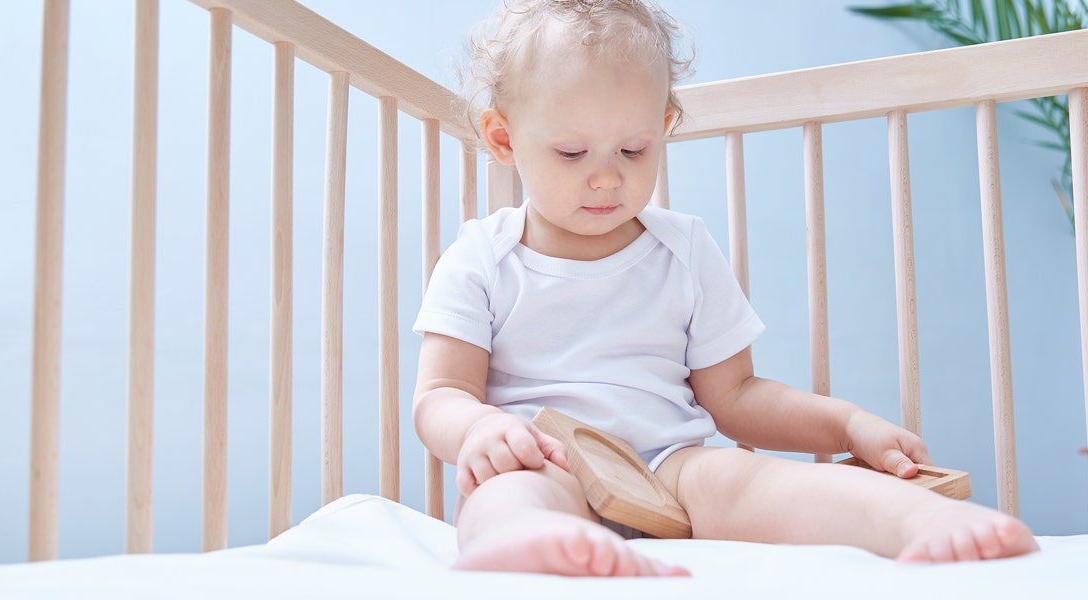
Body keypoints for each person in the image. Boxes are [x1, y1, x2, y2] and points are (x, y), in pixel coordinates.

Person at [412, 0, 1040, 577]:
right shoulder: (483, 258)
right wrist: (477, 431)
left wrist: (845, 426)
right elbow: (441, 393)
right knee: (505, 493)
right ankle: (536, 543)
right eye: (572, 153)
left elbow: (735, 395)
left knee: (757, 480)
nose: (607, 178)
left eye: (634, 149)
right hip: (548, 457)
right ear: (503, 138)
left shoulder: (681, 249)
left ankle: (916, 521)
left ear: (663, 127)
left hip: (672, 466)